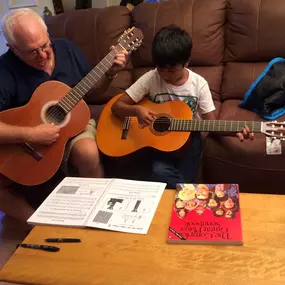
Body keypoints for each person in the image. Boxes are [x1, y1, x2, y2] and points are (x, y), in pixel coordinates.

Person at [0, 8, 128, 225]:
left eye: (45, 46)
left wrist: (110, 72)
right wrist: (31, 134)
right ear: (12, 49)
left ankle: (97, 215)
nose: (42, 56)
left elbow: (93, 93)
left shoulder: (67, 49)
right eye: (32, 52)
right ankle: (36, 225)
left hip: (74, 122)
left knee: (88, 153)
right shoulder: (3, 70)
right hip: (25, 139)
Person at [111, 24, 253, 189]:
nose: (165, 75)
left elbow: (212, 124)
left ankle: (180, 190)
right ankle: (187, 192)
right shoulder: (151, 78)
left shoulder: (198, 84)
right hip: (159, 142)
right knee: (159, 172)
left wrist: (234, 130)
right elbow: (117, 106)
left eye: (171, 71)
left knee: (179, 177)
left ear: (186, 62)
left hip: (189, 140)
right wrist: (136, 110)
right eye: (160, 69)